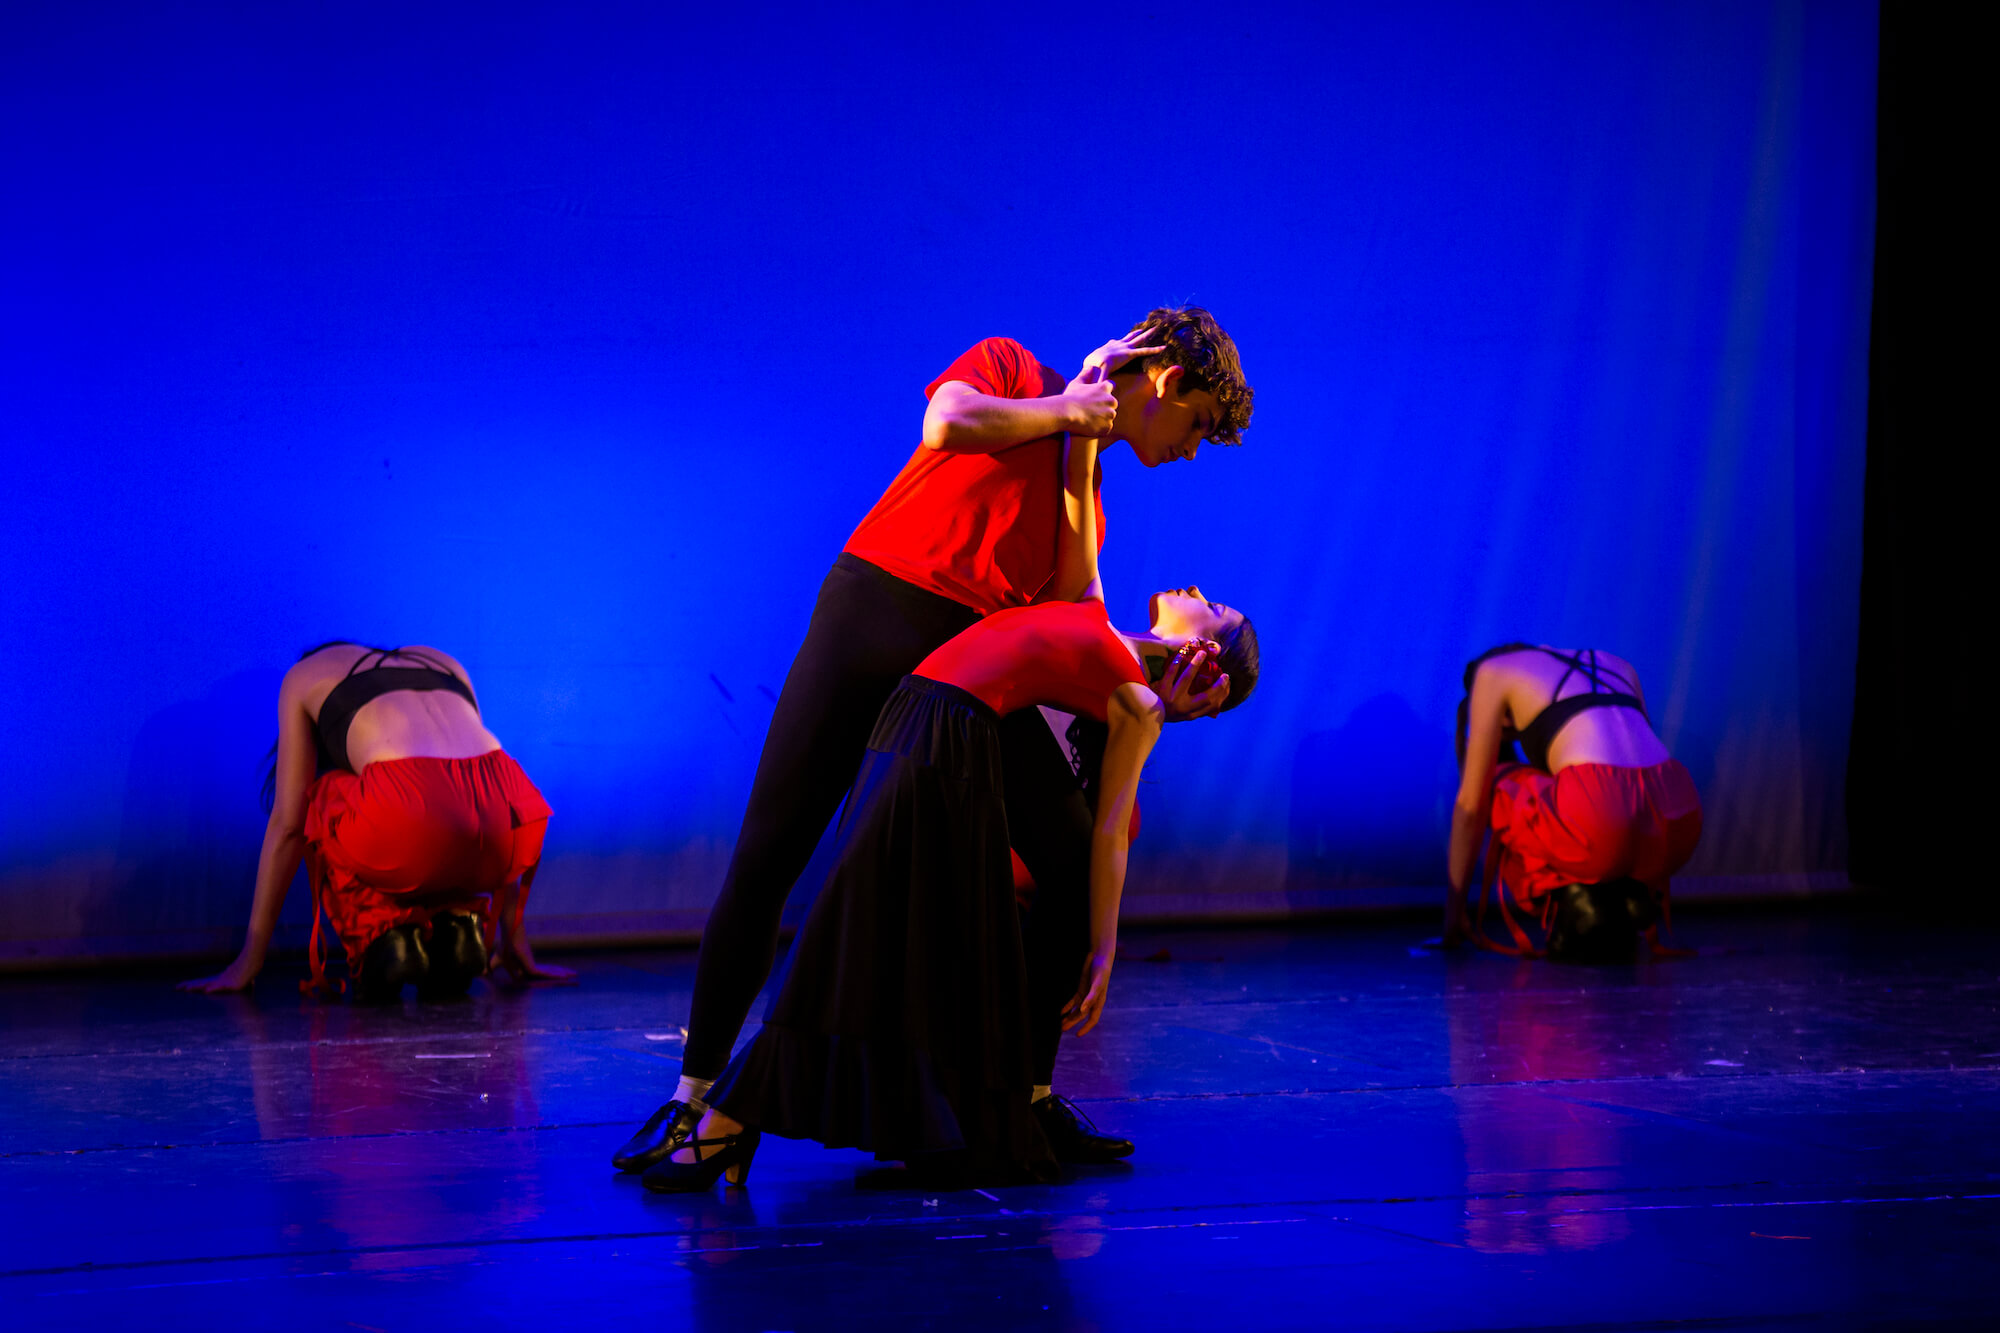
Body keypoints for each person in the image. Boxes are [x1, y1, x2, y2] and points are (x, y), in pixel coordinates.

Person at [611, 309, 1254, 1173]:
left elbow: (1069, 619)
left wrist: (1162, 685)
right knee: (770, 852)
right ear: (1169, 381)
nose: (1192, 450)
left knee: (1073, 862)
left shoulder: (1088, 486)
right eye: (1199, 425)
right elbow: (945, 422)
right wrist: (1065, 410)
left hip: (959, 680)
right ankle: (694, 1099)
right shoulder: (1014, 369)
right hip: (876, 613)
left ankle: (1027, 1098)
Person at [179, 643, 573, 1001]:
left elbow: (289, 826)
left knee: (323, 795)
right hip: (514, 809)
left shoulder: (303, 676)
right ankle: (457, 930)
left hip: (413, 812)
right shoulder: (444, 661)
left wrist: (249, 959)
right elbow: (478, 805)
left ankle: (385, 938)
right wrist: (514, 934)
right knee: (452, 821)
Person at [1442, 644, 1703, 960]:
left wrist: (1452, 920)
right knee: (1571, 793)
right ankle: (1628, 893)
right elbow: (1634, 775)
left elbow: (1470, 808)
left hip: (1601, 819)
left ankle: (1579, 899)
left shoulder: (1492, 673)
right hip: (1677, 817)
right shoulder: (1619, 663)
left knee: (1498, 785)